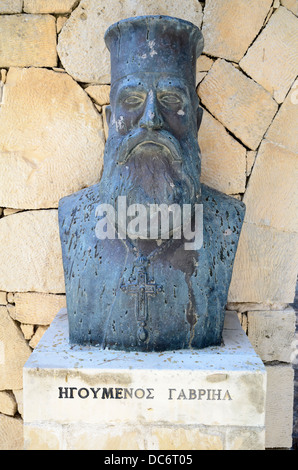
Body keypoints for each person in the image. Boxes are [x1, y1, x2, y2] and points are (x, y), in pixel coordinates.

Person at [58, 16, 245, 351]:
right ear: (109, 119)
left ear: (196, 122)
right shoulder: (73, 217)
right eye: (131, 101)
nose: (151, 120)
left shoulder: (225, 219)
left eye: (172, 101)